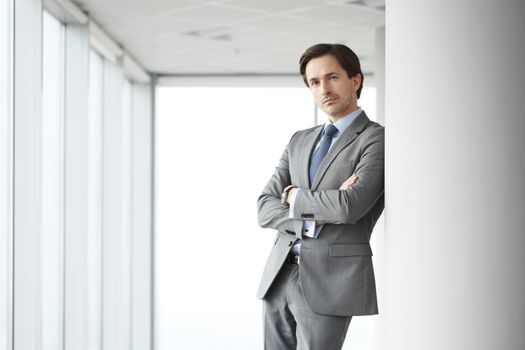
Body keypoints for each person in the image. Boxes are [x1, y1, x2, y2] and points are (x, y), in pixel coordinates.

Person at [256, 43, 385, 350]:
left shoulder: (375, 139)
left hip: (331, 281)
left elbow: (349, 207)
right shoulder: (299, 141)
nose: (324, 88)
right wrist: (313, 217)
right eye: (314, 82)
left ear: (355, 80)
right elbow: (264, 207)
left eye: (332, 78)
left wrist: (294, 197)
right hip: (279, 274)